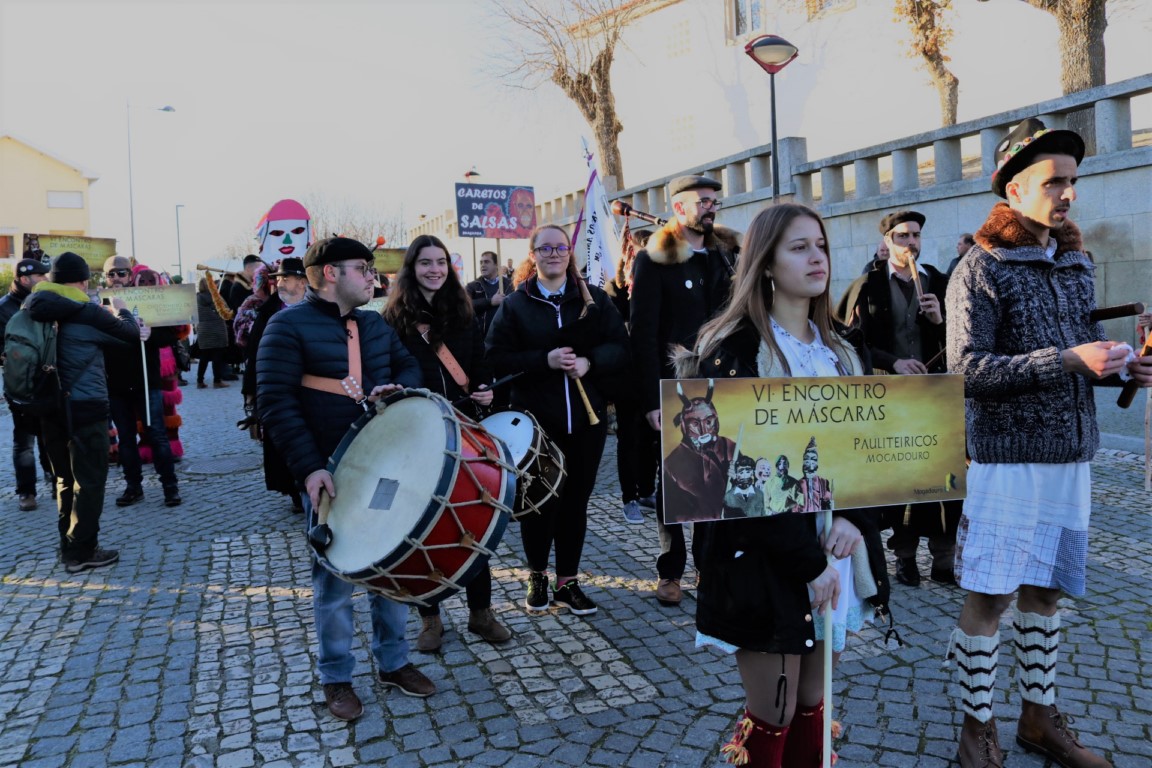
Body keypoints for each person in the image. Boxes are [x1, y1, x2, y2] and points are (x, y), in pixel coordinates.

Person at [945, 117, 1152, 768]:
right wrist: (1065, 361)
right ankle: (976, 731)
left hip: (1070, 460)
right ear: (1012, 191)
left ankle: (1039, 720)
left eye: (1072, 181)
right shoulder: (979, 266)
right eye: (1053, 182)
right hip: (1006, 463)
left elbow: (1081, 356)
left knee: (1046, 595)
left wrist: (1121, 367)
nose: (1067, 194)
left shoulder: (1077, 262)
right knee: (990, 599)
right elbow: (964, 373)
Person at [671, 203, 890, 767]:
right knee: (775, 708)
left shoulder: (841, 349)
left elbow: (869, 450)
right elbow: (728, 480)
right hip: (762, 553)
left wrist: (853, 520)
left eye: (820, 245)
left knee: (816, 700)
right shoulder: (734, 350)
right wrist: (807, 563)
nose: (816, 257)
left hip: (831, 545)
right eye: (799, 247)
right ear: (765, 263)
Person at [257, 237, 434, 722]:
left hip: (384, 466)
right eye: (363, 267)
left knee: (391, 567)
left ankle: (393, 662)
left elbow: (409, 366)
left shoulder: (375, 323)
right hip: (328, 471)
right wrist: (309, 467)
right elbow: (275, 402)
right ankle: (336, 677)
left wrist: (401, 386)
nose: (372, 276)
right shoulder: (285, 327)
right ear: (331, 273)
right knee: (334, 581)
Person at [486, 224, 629, 616]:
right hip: (538, 426)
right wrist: (542, 361)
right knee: (539, 504)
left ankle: (568, 581)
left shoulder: (594, 300)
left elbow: (621, 348)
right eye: (544, 248)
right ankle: (537, 576)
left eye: (560, 247)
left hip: (587, 422)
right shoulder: (516, 305)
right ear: (532, 255)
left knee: (575, 504)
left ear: (570, 253)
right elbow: (495, 358)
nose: (553, 254)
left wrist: (590, 362)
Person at [385, 234, 511, 652]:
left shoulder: (464, 311)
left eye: (441, 262)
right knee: (421, 528)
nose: (435, 269)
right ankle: (431, 618)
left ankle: (481, 613)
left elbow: (481, 365)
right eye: (425, 263)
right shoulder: (394, 319)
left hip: (464, 428)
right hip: (417, 434)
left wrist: (486, 391)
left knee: (475, 519)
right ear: (411, 268)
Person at [629, 173, 739, 607]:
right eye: (703, 201)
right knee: (676, 478)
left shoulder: (725, 256)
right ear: (679, 208)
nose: (711, 207)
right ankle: (670, 570)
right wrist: (651, 398)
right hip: (675, 385)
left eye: (714, 200)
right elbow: (643, 334)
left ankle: (708, 567)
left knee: (717, 475)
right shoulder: (655, 260)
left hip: (722, 383)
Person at [839, 210, 959, 587]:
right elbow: (852, 342)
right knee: (899, 479)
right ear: (888, 241)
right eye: (903, 236)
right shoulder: (868, 285)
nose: (911, 243)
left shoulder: (938, 281)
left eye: (916, 236)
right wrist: (894, 362)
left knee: (943, 479)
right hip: (887, 396)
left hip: (934, 395)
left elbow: (964, 340)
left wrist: (941, 322)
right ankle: (904, 558)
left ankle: (944, 558)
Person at [27, 252, 140, 573]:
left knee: (64, 478)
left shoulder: (32, 307)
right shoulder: (85, 310)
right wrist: (123, 311)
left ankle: (68, 546)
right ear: (82, 281)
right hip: (86, 406)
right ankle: (83, 550)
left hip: (49, 407)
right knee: (90, 480)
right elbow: (130, 336)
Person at [102, 257, 183, 508]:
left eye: (121, 273)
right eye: (111, 274)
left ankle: (170, 487)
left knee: (156, 434)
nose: (116, 278)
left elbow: (170, 334)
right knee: (126, 438)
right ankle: (133, 487)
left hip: (146, 379)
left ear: (130, 275)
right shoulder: (99, 304)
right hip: (115, 382)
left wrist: (151, 333)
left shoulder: (146, 300)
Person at [243, 257, 307, 513]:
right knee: (282, 437)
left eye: (285, 278)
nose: (279, 283)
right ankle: (292, 490)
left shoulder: (319, 307)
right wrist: (251, 392)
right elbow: (254, 353)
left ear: (302, 281)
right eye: (278, 278)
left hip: (309, 385)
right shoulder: (269, 310)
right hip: (278, 385)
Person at [609, 229, 658, 524]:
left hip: (651, 374)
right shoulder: (615, 290)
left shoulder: (655, 283)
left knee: (653, 437)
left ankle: (647, 490)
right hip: (627, 377)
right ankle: (630, 497)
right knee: (630, 439)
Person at [0, 256, 54, 510]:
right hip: (19, 384)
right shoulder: (4, 308)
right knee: (24, 439)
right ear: (24, 279)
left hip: (48, 380)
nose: (45, 279)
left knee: (51, 434)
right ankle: (26, 492)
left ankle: (56, 481)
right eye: (40, 276)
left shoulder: (48, 302)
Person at [464, 251, 512, 337]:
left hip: (505, 338)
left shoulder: (510, 285)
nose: (482, 265)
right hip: (480, 339)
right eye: (481, 262)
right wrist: (490, 302)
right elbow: (465, 306)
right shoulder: (473, 286)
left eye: (486, 262)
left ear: (497, 264)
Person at [195, 277, 231, 388]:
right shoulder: (217, 297)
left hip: (204, 331)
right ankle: (217, 381)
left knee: (204, 357)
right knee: (217, 357)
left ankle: (200, 381)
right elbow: (226, 311)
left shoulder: (196, 299)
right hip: (218, 330)